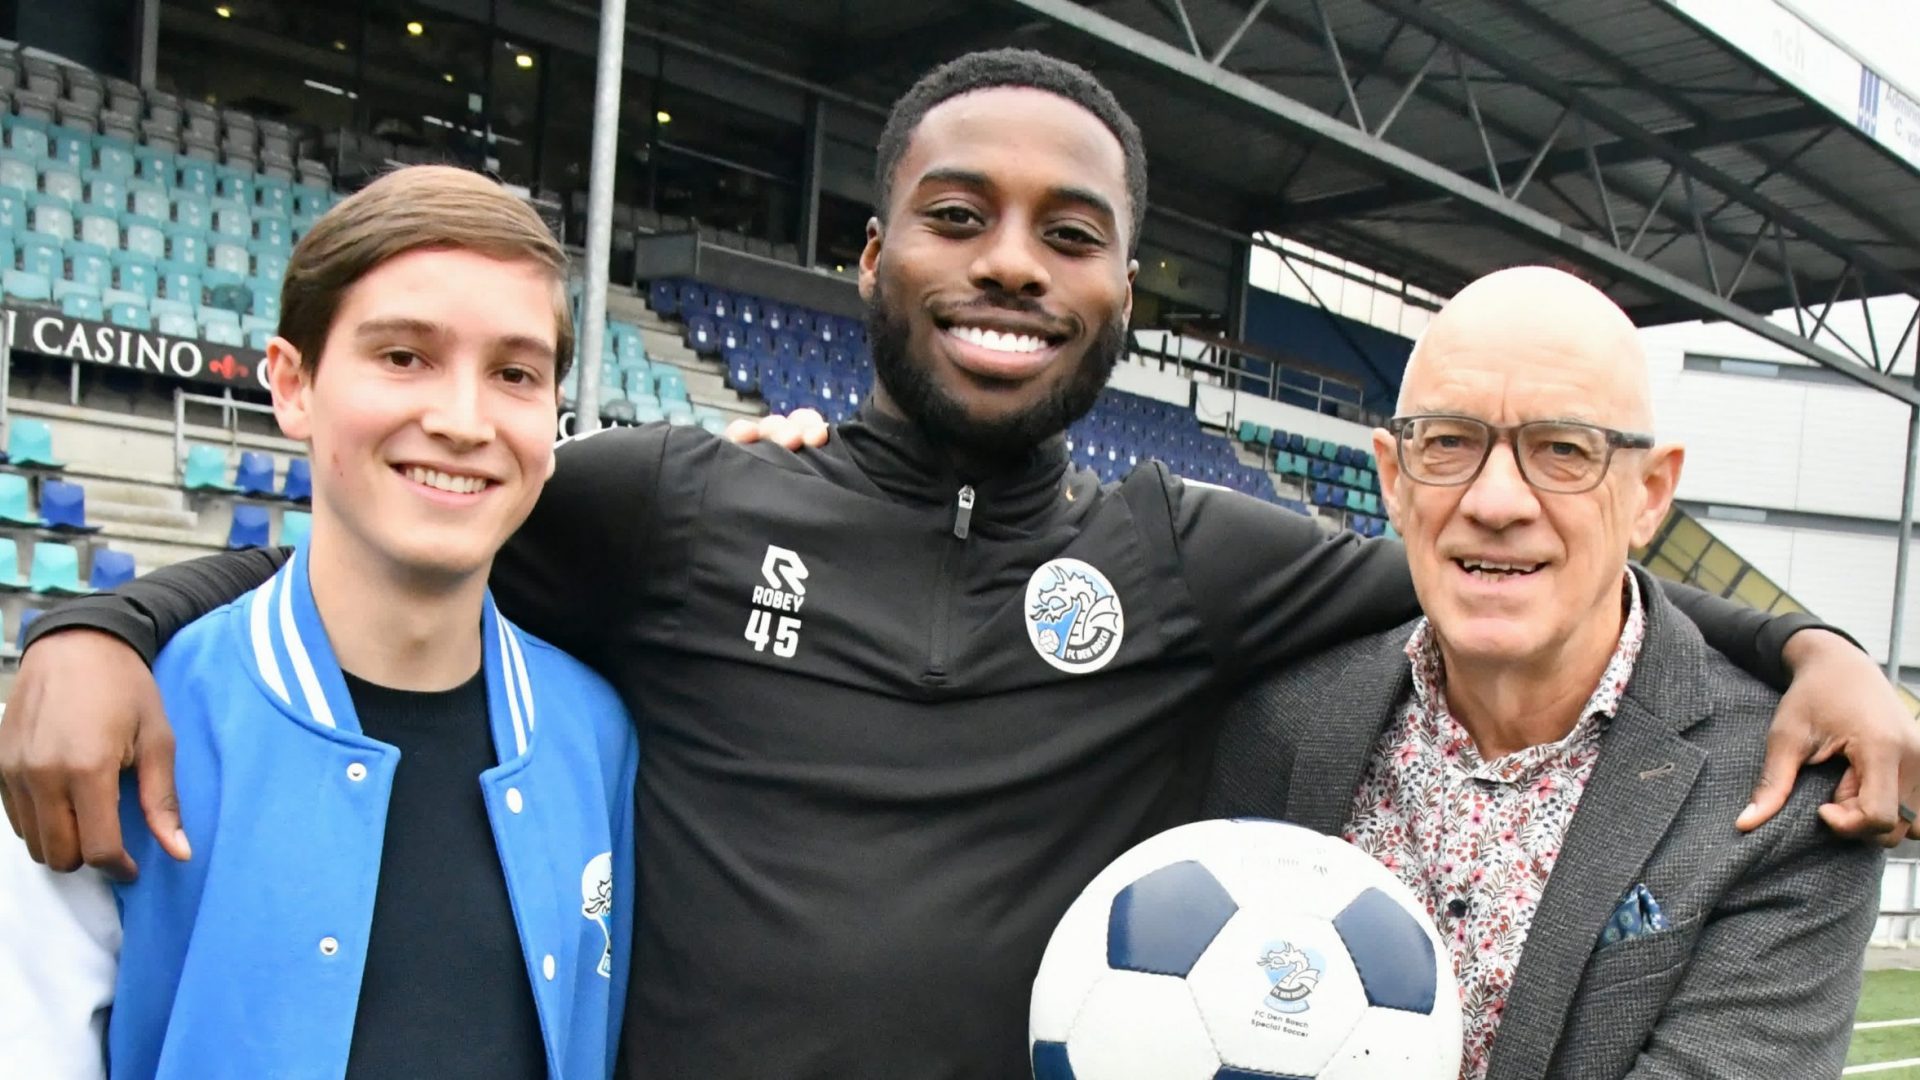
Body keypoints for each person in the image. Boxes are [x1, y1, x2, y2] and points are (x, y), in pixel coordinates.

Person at [1, 51, 1912, 1080]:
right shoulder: (669, 504)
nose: (1013, 260)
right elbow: (406, 519)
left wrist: (1806, 639)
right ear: (870, 258)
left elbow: (1508, 544)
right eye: (958, 216)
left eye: (1070, 234)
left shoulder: (1193, 551)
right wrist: (99, 618)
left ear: (1119, 293)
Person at [0, 165, 641, 1079]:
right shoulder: (116, 727)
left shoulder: (597, 734)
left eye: (513, 372)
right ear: (291, 383)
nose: (462, 420)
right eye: (403, 356)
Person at [1206, 266, 1883, 1080]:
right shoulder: (1276, 724)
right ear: (1392, 474)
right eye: (1449, 442)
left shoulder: (1788, 799)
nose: (1496, 502)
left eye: (1562, 450)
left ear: (1650, 493)